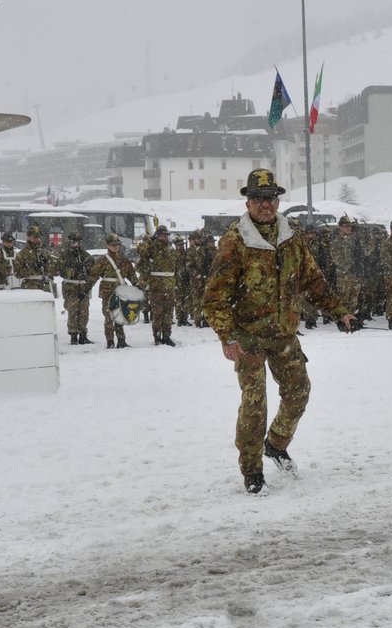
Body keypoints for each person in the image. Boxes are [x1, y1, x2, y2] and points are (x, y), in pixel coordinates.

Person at [201, 169, 356, 493]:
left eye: (270, 198)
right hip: (248, 338)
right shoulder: (236, 240)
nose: (265, 205)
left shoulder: (290, 237)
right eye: (258, 199)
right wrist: (226, 336)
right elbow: (214, 296)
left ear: (278, 200)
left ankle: (276, 443)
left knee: (299, 392)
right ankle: (252, 470)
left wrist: (338, 311)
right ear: (248, 202)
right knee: (255, 404)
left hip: (283, 333)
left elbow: (312, 280)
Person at [138, 225, 180, 346]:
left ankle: (166, 336)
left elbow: (175, 267)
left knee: (168, 313)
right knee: (157, 313)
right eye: (163, 235)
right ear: (157, 235)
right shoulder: (152, 248)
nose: (165, 237)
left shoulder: (171, 250)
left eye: (167, 235)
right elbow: (140, 251)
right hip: (156, 286)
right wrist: (149, 241)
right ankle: (157, 336)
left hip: (169, 286)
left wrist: (175, 282)